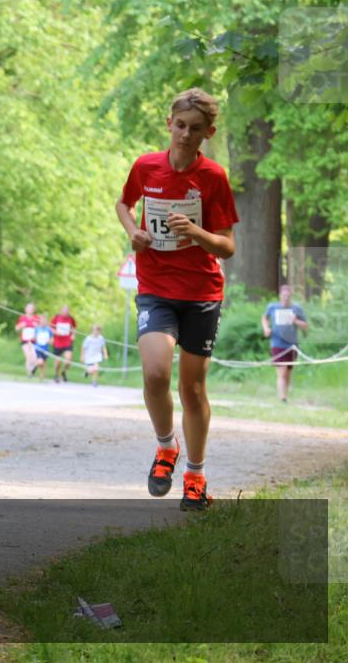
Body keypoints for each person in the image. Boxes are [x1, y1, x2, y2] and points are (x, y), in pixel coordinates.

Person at [115, 88, 238, 511]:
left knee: (193, 388)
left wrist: (197, 233)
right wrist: (133, 231)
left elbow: (227, 247)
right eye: (180, 125)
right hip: (156, 288)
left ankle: (196, 475)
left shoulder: (214, 178)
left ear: (209, 133)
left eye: (196, 129)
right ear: (169, 123)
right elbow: (123, 204)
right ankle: (166, 447)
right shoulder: (146, 166)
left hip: (202, 293)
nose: (186, 135)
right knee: (154, 373)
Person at [262, 284, 308, 402]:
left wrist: (295, 320)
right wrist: (266, 328)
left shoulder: (297, 309)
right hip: (277, 343)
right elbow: (265, 318)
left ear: (291, 295)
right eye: (284, 295)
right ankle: (282, 398)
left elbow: (305, 326)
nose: (286, 297)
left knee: (287, 372)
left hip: (292, 345)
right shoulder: (273, 307)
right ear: (280, 295)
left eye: (288, 295)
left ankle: (285, 396)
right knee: (282, 372)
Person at [50, 305, 77, 383]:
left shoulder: (71, 319)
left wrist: (73, 335)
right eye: (64, 310)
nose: (66, 312)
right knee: (58, 361)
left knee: (68, 360)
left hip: (67, 342)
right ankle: (56, 374)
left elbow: (74, 328)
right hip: (58, 342)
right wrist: (55, 332)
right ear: (61, 311)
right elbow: (51, 327)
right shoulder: (56, 318)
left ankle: (63, 372)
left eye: (67, 311)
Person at [14, 303, 42, 375]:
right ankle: (29, 373)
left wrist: (38, 326)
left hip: (34, 341)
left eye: (31, 308)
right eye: (28, 308)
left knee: (34, 356)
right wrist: (21, 325)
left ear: (34, 310)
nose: (30, 310)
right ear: (25, 309)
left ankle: (33, 369)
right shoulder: (22, 318)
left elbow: (42, 329)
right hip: (25, 340)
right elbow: (16, 329)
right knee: (28, 356)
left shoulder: (37, 318)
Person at [33, 313, 53, 381]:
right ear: (40, 321)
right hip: (38, 348)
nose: (43, 322)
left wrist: (50, 341)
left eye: (45, 320)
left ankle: (42, 375)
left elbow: (51, 339)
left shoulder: (49, 329)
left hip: (45, 349)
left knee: (43, 363)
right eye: (42, 320)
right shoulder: (37, 329)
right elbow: (34, 338)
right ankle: (35, 366)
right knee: (40, 362)